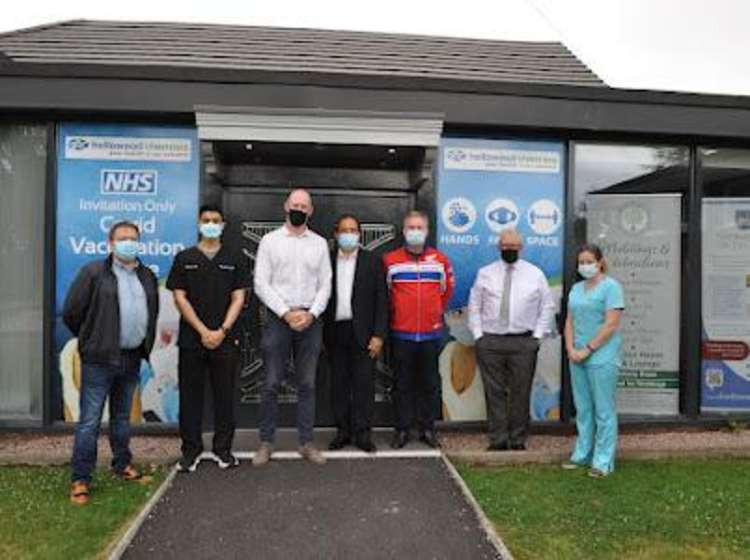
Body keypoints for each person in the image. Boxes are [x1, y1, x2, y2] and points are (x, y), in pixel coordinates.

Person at [64, 221, 159, 505]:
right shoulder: (94, 272)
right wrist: (92, 339)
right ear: (111, 243)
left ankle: (122, 465)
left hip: (131, 357)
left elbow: (151, 313)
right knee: (90, 422)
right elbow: (71, 312)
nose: (128, 242)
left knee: (121, 418)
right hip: (98, 359)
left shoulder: (146, 275)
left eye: (133, 238)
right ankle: (81, 479)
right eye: (123, 238)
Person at [166, 205, 249, 472]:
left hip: (225, 339)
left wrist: (222, 330)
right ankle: (190, 452)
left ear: (223, 225)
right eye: (206, 220)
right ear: (199, 224)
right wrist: (203, 331)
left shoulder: (235, 257)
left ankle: (223, 450)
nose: (211, 224)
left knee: (225, 397)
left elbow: (239, 297)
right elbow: (179, 297)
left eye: (215, 220)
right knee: (190, 398)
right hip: (192, 340)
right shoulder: (184, 258)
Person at [253, 189, 332, 465]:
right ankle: (266, 442)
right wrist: (286, 313)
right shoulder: (270, 241)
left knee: (307, 384)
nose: (299, 208)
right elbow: (261, 283)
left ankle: (306, 442)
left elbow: (326, 284)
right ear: (286, 206)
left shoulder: (320, 244)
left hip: (311, 320)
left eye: (304, 205)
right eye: (295, 204)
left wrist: (312, 313)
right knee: (271, 383)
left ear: (311, 211)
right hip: (279, 320)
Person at [467, 229, 556, 451]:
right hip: (491, 342)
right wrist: (479, 336)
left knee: (521, 391)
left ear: (521, 248)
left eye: (514, 247)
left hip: (523, 343)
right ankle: (497, 439)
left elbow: (547, 306)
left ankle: (518, 439)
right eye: (506, 246)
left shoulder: (535, 274)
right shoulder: (485, 273)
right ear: (499, 247)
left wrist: (536, 336)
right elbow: (474, 305)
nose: (510, 250)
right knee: (493, 392)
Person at [383, 210, 454, 449]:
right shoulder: (390, 260)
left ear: (426, 231)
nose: (415, 231)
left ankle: (427, 429)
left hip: (431, 334)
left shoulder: (441, 260)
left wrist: (433, 314)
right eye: (410, 227)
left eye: (419, 227)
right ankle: (402, 429)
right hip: (401, 333)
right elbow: (387, 295)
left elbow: (446, 293)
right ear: (404, 231)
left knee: (430, 383)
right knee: (402, 384)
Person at [323, 214, 388, 453]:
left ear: (359, 235)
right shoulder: (326, 261)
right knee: (338, 385)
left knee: (363, 385)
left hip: (364, 333)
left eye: (353, 230)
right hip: (335, 331)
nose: (348, 234)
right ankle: (342, 431)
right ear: (336, 234)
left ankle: (362, 434)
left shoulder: (373, 261)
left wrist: (379, 335)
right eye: (344, 230)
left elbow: (382, 300)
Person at [563, 244, 624, 478]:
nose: (585, 266)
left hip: (601, 356)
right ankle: (581, 455)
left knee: (603, 411)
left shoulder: (611, 287)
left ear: (600, 262)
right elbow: (570, 321)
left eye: (589, 261)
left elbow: (611, 325)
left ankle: (602, 461)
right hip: (576, 356)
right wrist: (571, 348)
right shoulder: (576, 289)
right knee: (584, 409)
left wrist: (588, 349)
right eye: (581, 262)